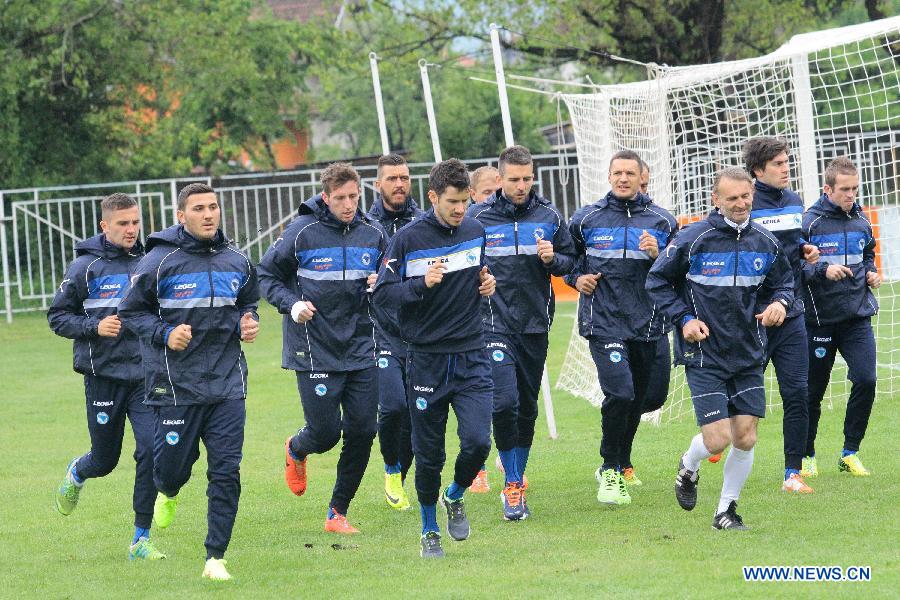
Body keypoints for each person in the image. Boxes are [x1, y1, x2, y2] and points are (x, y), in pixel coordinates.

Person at [119, 183, 260, 580]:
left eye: (213, 206)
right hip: (176, 385)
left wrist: (249, 321)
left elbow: (247, 300)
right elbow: (130, 312)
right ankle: (168, 488)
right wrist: (166, 334)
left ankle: (215, 556)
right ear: (182, 216)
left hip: (228, 384)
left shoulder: (237, 259)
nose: (209, 214)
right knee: (172, 469)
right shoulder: (159, 261)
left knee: (227, 471)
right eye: (199, 208)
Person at [646, 167, 793, 530]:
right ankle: (688, 466)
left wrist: (781, 304)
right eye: (732, 198)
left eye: (745, 197)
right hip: (704, 353)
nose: (741, 203)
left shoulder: (766, 241)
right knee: (717, 439)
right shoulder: (693, 239)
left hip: (748, 353)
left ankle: (725, 511)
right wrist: (683, 320)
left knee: (745, 436)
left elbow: (786, 283)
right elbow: (657, 281)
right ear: (716, 200)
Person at [373, 158, 496, 558]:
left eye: (465, 201)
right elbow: (382, 295)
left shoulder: (476, 231)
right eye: (452, 202)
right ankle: (428, 530)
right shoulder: (408, 239)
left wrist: (487, 281)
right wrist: (419, 285)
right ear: (433, 197)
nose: (460, 210)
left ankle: (455, 495)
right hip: (425, 360)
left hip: (471, 354)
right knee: (429, 454)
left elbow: (478, 272)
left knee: (478, 442)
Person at [259, 162, 387, 533]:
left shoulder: (373, 232)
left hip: (363, 344)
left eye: (353, 197)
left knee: (364, 430)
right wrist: (292, 305)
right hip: (314, 347)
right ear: (325, 196)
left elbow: (391, 278)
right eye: (340, 198)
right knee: (326, 433)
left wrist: (382, 281)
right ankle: (297, 449)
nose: (348, 204)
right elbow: (267, 274)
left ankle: (337, 512)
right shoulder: (302, 231)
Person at [49, 193, 164, 560]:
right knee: (105, 459)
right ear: (105, 226)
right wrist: (94, 327)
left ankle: (140, 539)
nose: (131, 230)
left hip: (145, 377)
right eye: (123, 224)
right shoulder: (84, 267)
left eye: (135, 222)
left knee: (150, 451)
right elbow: (57, 318)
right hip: (103, 378)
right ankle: (78, 472)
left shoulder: (151, 261)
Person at [469, 145, 576, 519]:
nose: (521, 185)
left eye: (527, 179)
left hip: (534, 323)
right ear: (499, 179)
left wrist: (553, 259)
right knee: (504, 401)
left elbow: (570, 261)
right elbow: (461, 261)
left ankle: (516, 475)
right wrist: (477, 276)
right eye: (513, 179)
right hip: (491, 323)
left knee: (526, 407)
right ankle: (512, 486)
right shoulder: (477, 217)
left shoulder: (548, 215)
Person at [565, 150, 677, 505]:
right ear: (609, 176)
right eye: (618, 173)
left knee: (651, 398)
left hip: (650, 323)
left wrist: (658, 256)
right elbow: (568, 259)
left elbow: (679, 270)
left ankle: (621, 460)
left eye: (630, 173)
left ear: (642, 177)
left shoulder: (662, 221)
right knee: (622, 394)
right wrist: (575, 278)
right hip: (604, 322)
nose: (623, 178)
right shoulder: (586, 219)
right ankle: (610, 469)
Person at [744, 136, 820, 493]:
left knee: (798, 392)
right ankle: (718, 435)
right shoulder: (745, 202)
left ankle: (793, 472)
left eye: (786, 161)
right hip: (751, 317)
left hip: (791, 312)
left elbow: (795, 243)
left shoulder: (794, 200)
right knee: (744, 392)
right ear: (758, 170)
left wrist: (806, 250)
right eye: (777, 163)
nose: (785, 167)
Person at [801, 156, 880, 477]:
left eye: (855, 189)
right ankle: (806, 455)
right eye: (845, 190)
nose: (851, 195)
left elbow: (868, 256)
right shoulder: (809, 223)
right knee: (812, 392)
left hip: (857, 318)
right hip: (819, 321)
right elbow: (795, 266)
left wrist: (872, 273)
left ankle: (850, 452)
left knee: (867, 379)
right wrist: (822, 269)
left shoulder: (862, 220)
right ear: (828, 189)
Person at [367, 154, 423, 510]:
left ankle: (400, 474)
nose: (399, 184)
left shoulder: (423, 222)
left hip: (421, 331)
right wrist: (366, 280)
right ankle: (390, 467)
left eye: (404, 178)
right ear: (378, 185)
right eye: (392, 179)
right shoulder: (364, 226)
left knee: (418, 416)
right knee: (392, 408)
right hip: (380, 331)